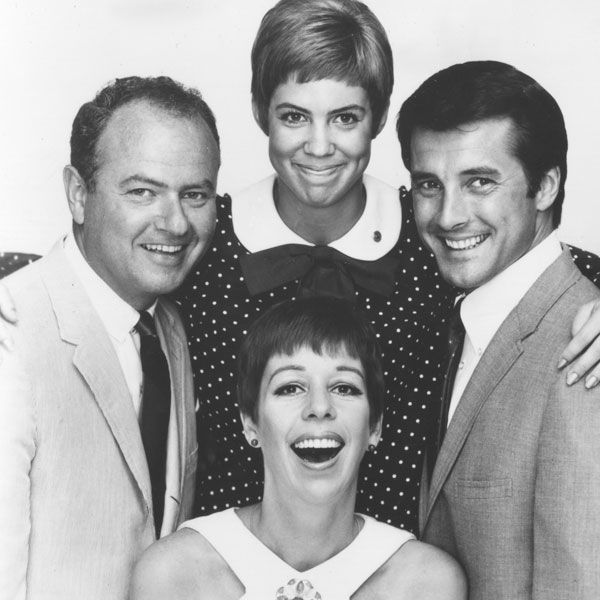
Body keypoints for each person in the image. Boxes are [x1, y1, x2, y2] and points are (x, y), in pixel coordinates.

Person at [2, 0, 600, 536]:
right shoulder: (200, 235)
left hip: (397, 574)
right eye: (294, 116)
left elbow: (536, 274)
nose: (318, 146)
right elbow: (99, 273)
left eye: (345, 117)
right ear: (260, 112)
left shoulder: (433, 232)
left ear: (379, 118)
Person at [0, 76, 220, 599]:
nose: (175, 223)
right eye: (142, 191)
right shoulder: (12, 331)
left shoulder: (171, 329)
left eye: (194, 195)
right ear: (79, 195)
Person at [398, 60, 600, 598]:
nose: (448, 216)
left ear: (546, 186)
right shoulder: (461, 322)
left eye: (480, 182)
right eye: (428, 185)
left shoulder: (584, 355)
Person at [129, 297, 467, 600]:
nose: (319, 407)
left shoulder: (426, 584)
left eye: (344, 388)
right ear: (250, 421)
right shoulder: (173, 573)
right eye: (290, 388)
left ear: (374, 426)